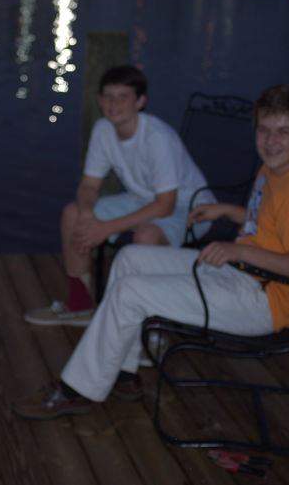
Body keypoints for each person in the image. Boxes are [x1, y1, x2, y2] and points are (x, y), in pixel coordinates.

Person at [12, 83, 289, 415]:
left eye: (283, 132)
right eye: (264, 129)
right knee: (131, 258)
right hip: (242, 275)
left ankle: (75, 390)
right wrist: (228, 211)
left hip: (263, 302)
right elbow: (269, 223)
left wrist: (241, 252)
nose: (270, 140)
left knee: (130, 293)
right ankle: (124, 371)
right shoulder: (277, 169)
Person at [24, 65, 213, 327]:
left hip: (189, 208)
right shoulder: (103, 129)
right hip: (141, 199)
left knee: (146, 236)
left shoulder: (157, 137)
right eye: (108, 96)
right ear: (99, 100)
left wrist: (105, 229)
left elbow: (166, 205)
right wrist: (87, 213)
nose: (114, 104)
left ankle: (150, 321)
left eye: (123, 96)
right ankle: (80, 305)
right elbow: (89, 184)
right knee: (72, 214)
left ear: (140, 102)